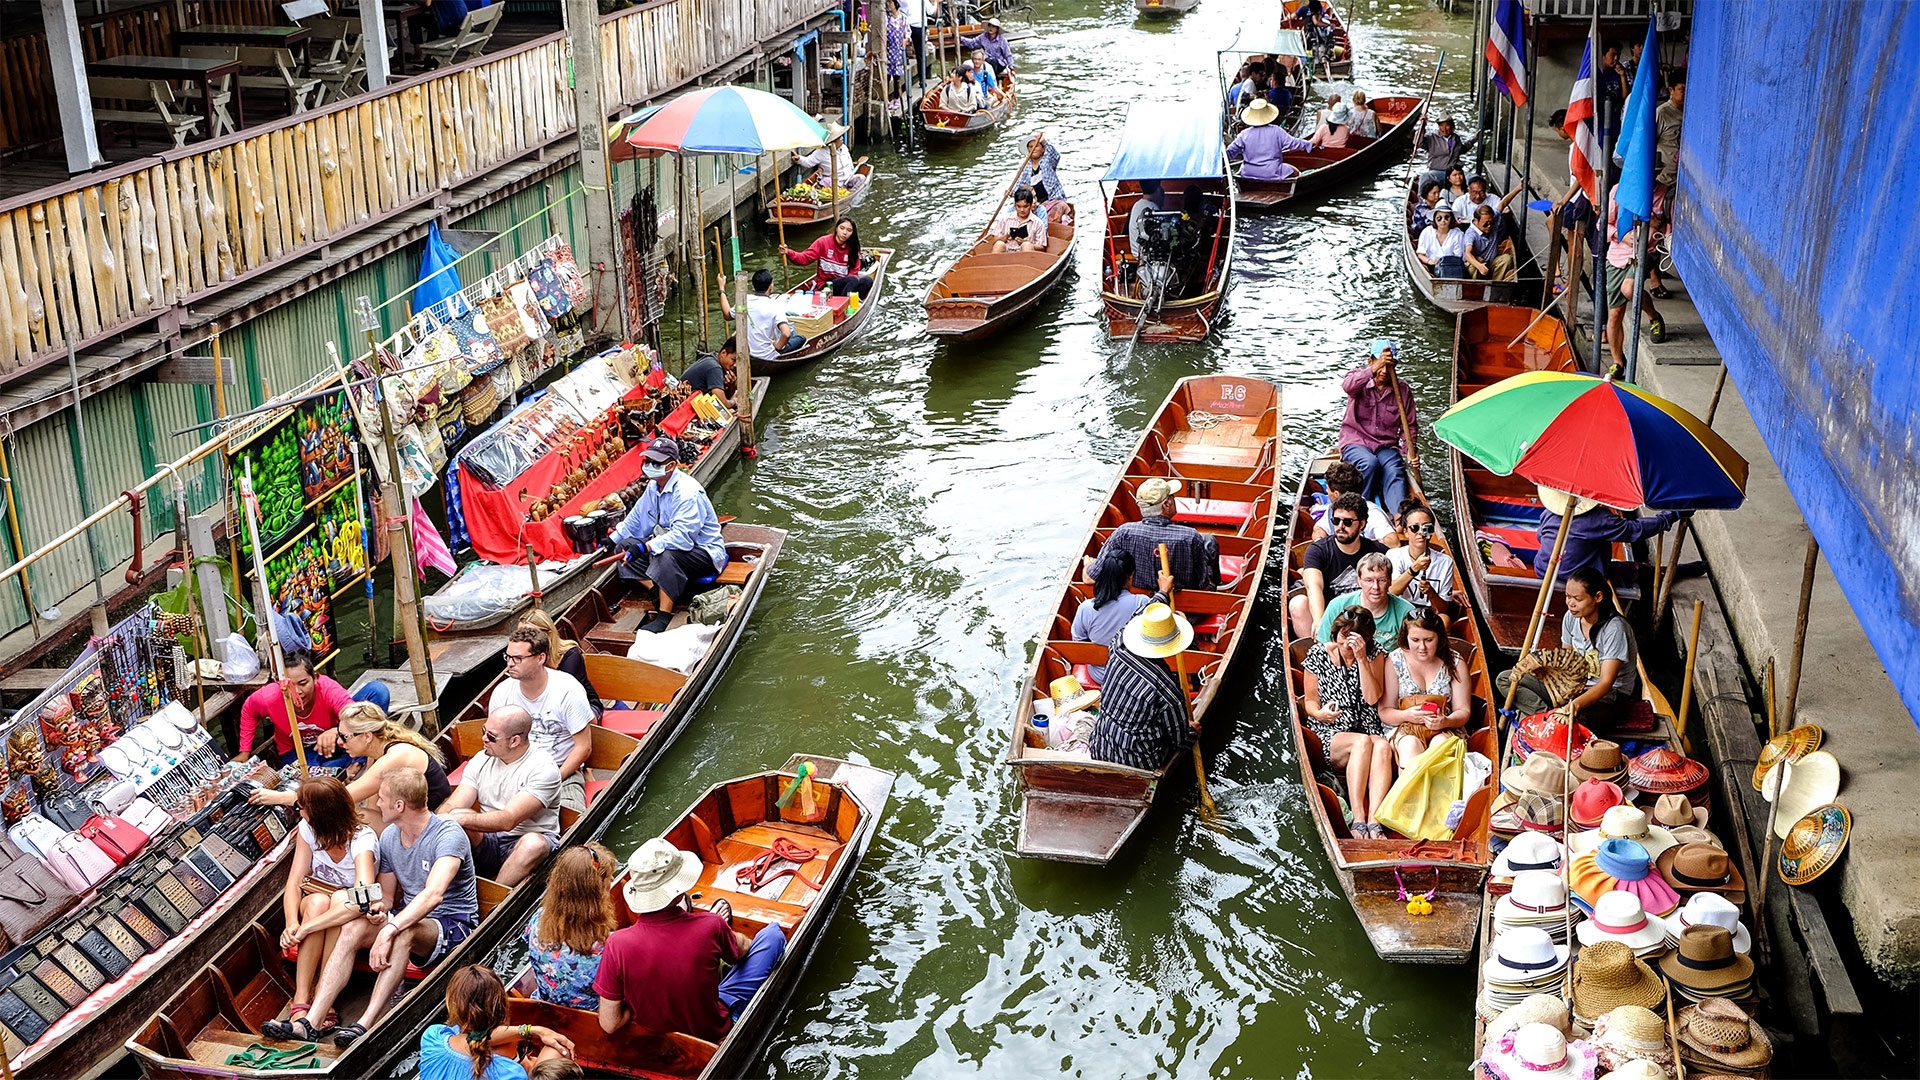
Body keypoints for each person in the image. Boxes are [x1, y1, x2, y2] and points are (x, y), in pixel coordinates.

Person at [302, 768, 479, 1049]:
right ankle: (311, 1021)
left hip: (453, 923)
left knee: (404, 931)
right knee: (354, 926)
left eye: (381, 798)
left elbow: (433, 895)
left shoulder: (448, 834)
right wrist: (379, 911)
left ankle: (365, 1022)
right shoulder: (389, 837)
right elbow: (385, 896)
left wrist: (391, 929)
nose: (377, 803)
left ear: (399, 806)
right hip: (408, 916)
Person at [595, 839, 787, 1040]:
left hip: (656, 1043)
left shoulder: (617, 943)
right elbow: (741, 952)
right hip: (713, 1029)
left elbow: (610, 1023)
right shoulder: (710, 925)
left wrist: (635, 1007)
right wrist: (720, 928)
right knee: (772, 934)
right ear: (678, 893)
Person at [262, 777, 380, 1043]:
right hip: (318, 901)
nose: (299, 812)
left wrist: (305, 929)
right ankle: (302, 998)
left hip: (349, 910)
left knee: (338, 901)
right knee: (317, 903)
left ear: (321, 813)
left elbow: (363, 895)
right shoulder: (308, 828)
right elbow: (293, 883)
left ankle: (323, 1002)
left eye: (302, 807)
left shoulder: (362, 838)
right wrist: (292, 922)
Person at [250, 701, 452, 818]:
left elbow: (340, 799)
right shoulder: (377, 754)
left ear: (366, 736)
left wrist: (282, 798)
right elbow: (372, 809)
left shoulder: (394, 758)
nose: (340, 742)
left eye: (344, 737)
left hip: (432, 818)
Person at [1497, 567, 1641, 725]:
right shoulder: (1570, 618)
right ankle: (1547, 717)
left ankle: (1557, 719)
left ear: (1597, 597)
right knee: (1505, 679)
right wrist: (1547, 670)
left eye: (1578, 599)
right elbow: (1566, 662)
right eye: (1567, 597)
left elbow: (1606, 683)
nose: (1570, 604)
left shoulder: (1615, 628)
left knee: (1581, 720)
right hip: (1575, 686)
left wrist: (1574, 706)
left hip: (1610, 695)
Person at [440, 706, 562, 887]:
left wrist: (457, 818)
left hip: (525, 839)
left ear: (514, 741)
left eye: (491, 736)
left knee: (533, 844)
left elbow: (508, 820)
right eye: (484, 731)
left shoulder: (543, 769)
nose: (483, 739)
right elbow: (454, 804)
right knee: (457, 813)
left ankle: (495, 896)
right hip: (490, 840)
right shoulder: (481, 759)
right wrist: (440, 820)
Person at [607, 438, 729, 612]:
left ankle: (664, 614)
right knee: (623, 547)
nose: (649, 465)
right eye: (647, 461)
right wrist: (614, 539)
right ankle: (656, 591)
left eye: (655, 463)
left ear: (671, 466)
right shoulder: (653, 486)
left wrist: (646, 547)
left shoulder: (687, 493)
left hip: (704, 552)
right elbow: (638, 515)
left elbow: (682, 537)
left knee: (664, 554)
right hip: (672, 545)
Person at [1301, 607, 1392, 838]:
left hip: (1368, 726)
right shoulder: (1318, 654)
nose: (1347, 644)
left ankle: (1375, 820)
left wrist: (1361, 658)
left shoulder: (1374, 653)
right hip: (1332, 730)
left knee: (1381, 745)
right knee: (1362, 742)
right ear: (1336, 633)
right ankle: (1358, 819)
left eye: (1354, 640)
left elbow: (1373, 697)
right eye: (1343, 637)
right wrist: (1320, 714)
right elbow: (1309, 703)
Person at [488, 626, 597, 812]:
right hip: (515, 768)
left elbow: (583, 747)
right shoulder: (502, 692)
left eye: (518, 658)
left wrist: (552, 778)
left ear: (540, 658)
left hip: (561, 770)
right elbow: (497, 741)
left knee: (571, 816)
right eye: (508, 657)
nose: (510, 664)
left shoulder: (567, 690)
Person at [1087, 602, 1197, 770]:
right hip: (1139, 764)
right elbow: (1181, 740)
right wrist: (1193, 732)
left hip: (1100, 747)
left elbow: (1135, 616)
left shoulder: (1118, 645)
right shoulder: (1167, 690)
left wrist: (1162, 595)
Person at [418, 965, 572, 1080]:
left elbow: (476, 1036)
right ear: (503, 1007)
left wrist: (532, 1030)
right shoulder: (509, 1072)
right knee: (558, 1050)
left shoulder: (432, 1037)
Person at [1082, 477, 1219, 591]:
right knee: (1208, 540)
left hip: (1140, 607)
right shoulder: (1191, 536)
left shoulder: (1122, 533)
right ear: (1166, 505)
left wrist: (1088, 564)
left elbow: (1089, 578)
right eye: (1172, 497)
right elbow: (1203, 586)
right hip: (1186, 608)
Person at [523, 843, 617, 1009]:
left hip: (546, 1008)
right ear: (596, 891)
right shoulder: (606, 947)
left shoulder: (537, 920)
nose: (613, 880)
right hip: (587, 1021)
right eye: (609, 877)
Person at [1289, 491, 1388, 640]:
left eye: (1347, 522)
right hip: (1330, 613)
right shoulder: (1319, 550)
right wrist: (1319, 620)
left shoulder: (1377, 551)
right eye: (1336, 521)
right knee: (1298, 603)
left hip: (1364, 616)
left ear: (1361, 524)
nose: (1340, 526)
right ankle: (1316, 652)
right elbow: (1313, 586)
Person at [1379, 609, 1470, 767]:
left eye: (1428, 640)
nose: (1422, 647)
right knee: (1410, 747)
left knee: (1440, 748)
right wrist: (1408, 715)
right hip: (1405, 726)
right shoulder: (1395, 660)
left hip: (1445, 728)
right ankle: (1409, 790)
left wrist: (1445, 721)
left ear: (1439, 638)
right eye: (1415, 640)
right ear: (1406, 638)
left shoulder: (1455, 662)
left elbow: (1463, 711)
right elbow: (1385, 711)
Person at [1338, 338, 1420, 514]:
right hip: (1356, 442)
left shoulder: (1402, 389)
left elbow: (1410, 426)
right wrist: (1374, 368)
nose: (1384, 371)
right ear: (1371, 361)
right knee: (1369, 463)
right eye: (1380, 365)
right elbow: (1347, 386)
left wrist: (1410, 451)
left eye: (1389, 366)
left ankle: (1399, 517)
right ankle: (1359, 511)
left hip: (1385, 446)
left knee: (1394, 469)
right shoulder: (1358, 379)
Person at [1533, 487, 1680, 584]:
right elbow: (1633, 530)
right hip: (1579, 578)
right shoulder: (1598, 519)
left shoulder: (1549, 513)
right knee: (1640, 571)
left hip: (1543, 570)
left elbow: (1540, 536)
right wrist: (1668, 518)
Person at [235, 649, 356, 766]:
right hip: (295, 751)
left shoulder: (329, 689)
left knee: (374, 691)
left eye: (303, 684)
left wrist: (337, 731)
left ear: (315, 678)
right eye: (289, 686)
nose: (297, 692)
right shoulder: (269, 696)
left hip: (334, 742)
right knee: (312, 774)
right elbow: (249, 710)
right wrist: (245, 751)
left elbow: (354, 715)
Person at [1071, 550, 1174, 685]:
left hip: (1100, 675)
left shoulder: (1085, 608)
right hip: (1136, 675)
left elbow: (1079, 645)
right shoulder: (1142, 602)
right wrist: (1163, 592)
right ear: (1130, 577)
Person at [1317, 552, 1415, 651]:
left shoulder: (1406, 611)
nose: (1375, 587)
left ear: (1390, 581)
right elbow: (1323, 646)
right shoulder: (1337, 605)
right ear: (1359, 580)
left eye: (1382, 580)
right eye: (1369, 580)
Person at [1648, 72, 1685, 300]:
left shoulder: (1691, 111)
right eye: (1681, 88)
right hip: (1663, 179)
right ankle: (1654, 279)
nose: (1685, 93)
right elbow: (1649, 146)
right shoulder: (1662, 113)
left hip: (1683, 179)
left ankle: (1666, 261)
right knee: (1656, 229)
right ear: (1670, 90)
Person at [1387, 499, 1457, 616]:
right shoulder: (1394, 555)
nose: (1420, 533)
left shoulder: (1445, 562)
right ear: (1406, 532)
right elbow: (1391, 592)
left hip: (1427, 616)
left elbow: (1443, 610)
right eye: (1414, 528)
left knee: (1445, 619)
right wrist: (1413, 570)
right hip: (1400, 613)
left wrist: (1431, 592)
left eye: (1426, 528)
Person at [716, 269, 806, 360]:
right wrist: (778, 345)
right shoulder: (774, 306)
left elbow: (727, 315)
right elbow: (786, 334)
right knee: (801, 338)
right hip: (768, 356)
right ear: (771, 286)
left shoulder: (744, 301)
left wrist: (722, 288)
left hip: (747, 353)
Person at [783, 217, 873, 299]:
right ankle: (842, 305)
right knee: (853, 280)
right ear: (836, 228)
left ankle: (848, 301)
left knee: (867, 281)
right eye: (842, 228)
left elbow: (853, 272)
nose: (844, 233)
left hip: (846, 286)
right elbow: (804, 258)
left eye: (849, 230)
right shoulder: (823, 242)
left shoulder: (853, 249)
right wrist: (788, 252)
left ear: (852, 233)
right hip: (826, 286)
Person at [1307, 460, 1395, 542]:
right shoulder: (1332, 509)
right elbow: (1319, 528)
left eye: (1327, 489)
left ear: (1336, 494)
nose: (1326, 492)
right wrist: (1320, 543)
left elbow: (1392, 541)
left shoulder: (1373, 514)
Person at [1226, 98, 1311, 181]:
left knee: (1242, 167)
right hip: (1273, 171)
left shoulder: (1244, 134)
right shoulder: (1276, 131)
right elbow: (1293, 143)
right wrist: (1308, 144)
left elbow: (1230, 152)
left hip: (1249, 173)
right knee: (1295, 172)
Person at [792, 126, 865, 194]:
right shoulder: (821, 152)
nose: (842, 138)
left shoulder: (844, 148)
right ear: (833, 140)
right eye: (840, 137)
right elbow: (808, 162)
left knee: (861, 178)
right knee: (827, 181)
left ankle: (850, 193)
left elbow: (850, 163)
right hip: (833, 182)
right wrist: (799, 159)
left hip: (848, 179)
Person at [1415, 116, 1475, 191]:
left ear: (1452, 127)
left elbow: (1462, 150)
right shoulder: (1432, 138)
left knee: (1473, 177)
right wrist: (1422, 126)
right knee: (1425, 176)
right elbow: (1418, 142)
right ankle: (1421, 200)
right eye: (1441, 125)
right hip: (1437, 171)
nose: (1444, 128)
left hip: (1454, 171)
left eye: (1447, 125)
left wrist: (1473, 140)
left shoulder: (1456, 138)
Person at [675, 338, 736, 410]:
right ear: (723, 353)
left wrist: (732, 386)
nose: (736, 365)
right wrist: (734, 402)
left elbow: (725, 396)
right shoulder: (714, 367)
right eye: (734, 360)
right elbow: (721, 403)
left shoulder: (714, 358)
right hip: (683, 406)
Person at [1465, 203, 1518, 282]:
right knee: (1476, 261)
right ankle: (1476, 287)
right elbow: (1467, 254)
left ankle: (1495, 283)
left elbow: (1502, 204)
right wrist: (1479, 266)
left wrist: (1518, 190)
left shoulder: (1493, 219)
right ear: (1476, 221)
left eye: (1491, 223)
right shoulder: (1470, 234)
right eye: (1485, 224)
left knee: (1506, 259)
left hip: (1492, 262)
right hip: (1478, 266)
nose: (1489, 226)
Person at [990, 187, 1049, 253]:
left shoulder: (1038, 223)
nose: (1022, 210)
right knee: (999, 244)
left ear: (1030, 205)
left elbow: (1042, 247)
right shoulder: (1005, 219)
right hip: (1007, 252)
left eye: (1025, 206)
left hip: (1025, 255)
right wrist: (1006, 236)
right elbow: (994, 241)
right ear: (1015, 205)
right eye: (1019, 206)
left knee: (1026, 245)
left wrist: (1025, 242)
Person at [1417, 203, 1468, 278]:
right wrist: (1430, 261)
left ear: (1451, 219)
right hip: (1430, 266)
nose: (1443, 221)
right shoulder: (1426, 232)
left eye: (1446, 217)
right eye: (1439, 218)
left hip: (1451, 269)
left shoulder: (1458, 234)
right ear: (1435, 218)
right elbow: (1420, 254)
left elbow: (1458, 257)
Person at [1015, 130, 1064, 205]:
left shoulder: (1047, 161)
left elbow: (1055, 156)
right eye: (1030, 147)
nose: (1033, 149)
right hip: (1033, 203)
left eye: (1036, 146)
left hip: (1052, 199)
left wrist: (1044, 143)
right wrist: (1011, 192)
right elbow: (1019, 184)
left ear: (1043, 149)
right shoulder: (1024, 167)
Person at [1451, 175, 1518, 229]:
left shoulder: (1493, 198)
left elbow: (1505, 209)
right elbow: (1454, 217)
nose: (1478, 196)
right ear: (1468, 190)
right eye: (1474, 192)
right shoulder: (1460, 201)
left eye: (1481, 192)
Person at [1126, 179, 1166, 257]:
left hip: (1135, 253)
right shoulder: (1152, 208)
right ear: (1158, 190)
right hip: (1146, 256)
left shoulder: (1137, 205)